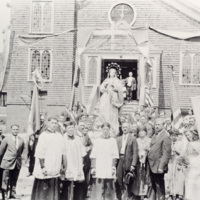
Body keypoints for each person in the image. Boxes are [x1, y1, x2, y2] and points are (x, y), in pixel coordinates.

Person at [31, 116, 66, 200]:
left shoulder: (59, 136)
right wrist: (43, 167)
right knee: (44, 189)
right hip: (46, 166)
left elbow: (62, 152)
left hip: (55, 166)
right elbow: (40, 153)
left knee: (53, 188)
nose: (54, 125)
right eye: (52, 123)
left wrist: (62, 165)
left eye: (55, 123)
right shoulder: (44, 135)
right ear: (48, 123)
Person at [90, 123, 119, 200]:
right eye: (104, 129)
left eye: (107, 129)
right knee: (98, 186)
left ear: (109, 130)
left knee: (109, 186)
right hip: (99, 166)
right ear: (101, 130)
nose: (105, 131)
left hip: (108, 166)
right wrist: (93, 167)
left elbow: (115, 155)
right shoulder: (97, 141)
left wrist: (113, 166)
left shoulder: (113, 141)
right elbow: (94, 155)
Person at [61, 121, 86, 200]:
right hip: (68, 164)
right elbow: (62, 153)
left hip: (77, 164)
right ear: (65, 129)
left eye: (72, 128)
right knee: (67, 185)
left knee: (77, 185)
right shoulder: (63, 139)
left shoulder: (77, 138)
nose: (71, 129)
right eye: (69, 128)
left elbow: (82, 152)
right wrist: (63, 166)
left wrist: (81, 164)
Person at [148, 118, 171, 200]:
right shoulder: (155, 135)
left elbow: (166, 153)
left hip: (159, 166)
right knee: (152, 186)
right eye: (156, 124)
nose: (156, 126)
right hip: (151, 165)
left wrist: (161, 166)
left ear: (163, 125)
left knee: (160, 187)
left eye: (158, 124)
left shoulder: (166, 136)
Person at [0, 124, 24, 199]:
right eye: (14, 129)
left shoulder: (21, 140)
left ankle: (12, 193)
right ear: (11, 130)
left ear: (18, 130)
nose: (15, 131)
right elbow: (1, 152)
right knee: (5, 179)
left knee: (14, 179)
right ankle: (5, 194)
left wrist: (19, 160)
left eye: (17, 129)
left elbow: (21, 150)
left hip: (17, 163)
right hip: (7, 163)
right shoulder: (6, 139)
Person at [115, 122, 138, 200]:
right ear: (121, 128)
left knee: (127, 179)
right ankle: (120, 195)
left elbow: (135, 152)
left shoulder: (133, 138)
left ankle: (127, 196)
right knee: (119, 178)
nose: (125, 129)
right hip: (119, 160)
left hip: (128, 160)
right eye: (123, 127)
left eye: (126, 127)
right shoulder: (118, 139)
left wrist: (133, 164)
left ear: (129, 128)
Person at [99, 67, 124, 133]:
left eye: (113, 72)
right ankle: (105, 126)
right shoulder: (106, 80)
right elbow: (101, 88)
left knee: (112, 113)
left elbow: (120, 89)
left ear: (115, 73)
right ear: (109, 73)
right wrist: (104, 86)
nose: (112, 73)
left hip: (113, 98)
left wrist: (115, 87)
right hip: (106, 97)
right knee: (104, 110)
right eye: (111, 72)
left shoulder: (117, 80)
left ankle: (113, 128)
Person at [133, 129, 151, 199]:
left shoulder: (149, 140)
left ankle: (145, 193)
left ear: (146, 132)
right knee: (138, 176)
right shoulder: (136, 140)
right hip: (138, 162)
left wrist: (148, 149)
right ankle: (137, 193)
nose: (141, 133)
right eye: (139, 131)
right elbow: (134, 150)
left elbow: (152, 149)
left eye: (143, 131)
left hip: (147, 162)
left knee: (146, 177)